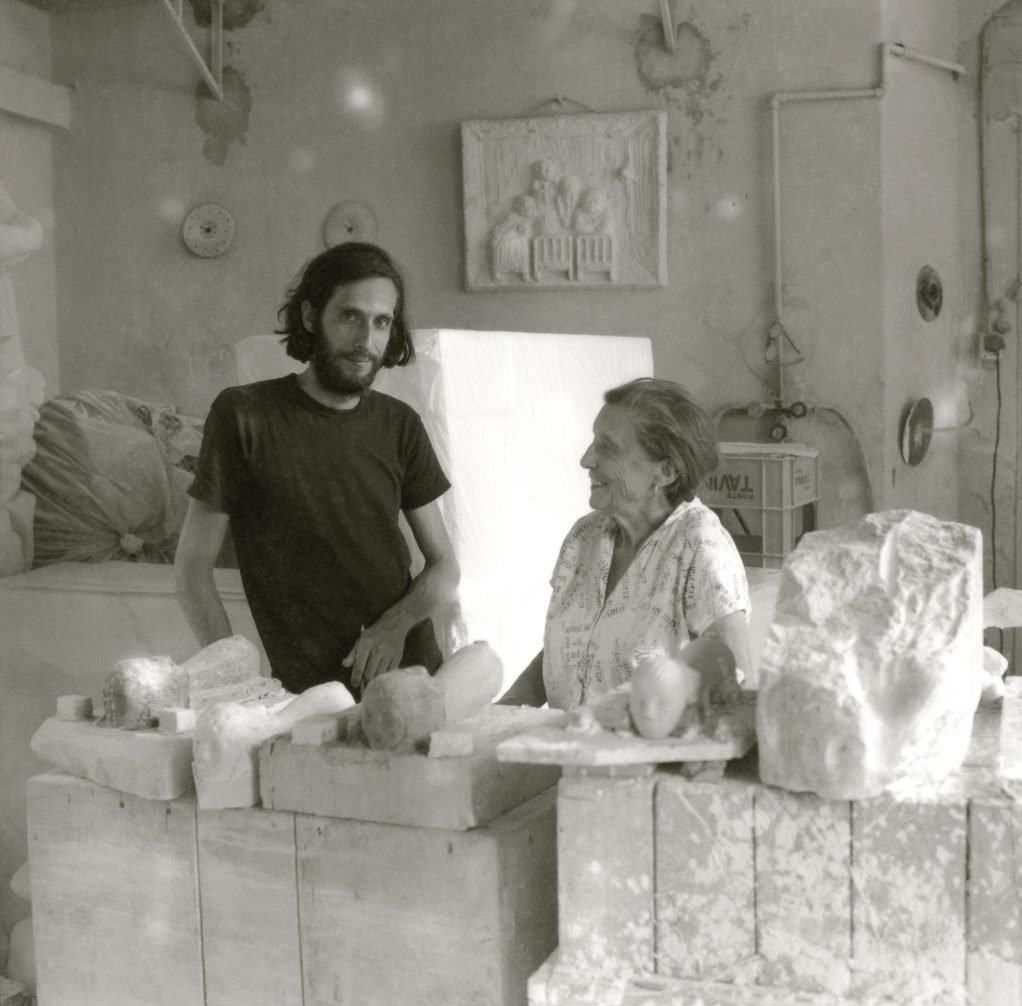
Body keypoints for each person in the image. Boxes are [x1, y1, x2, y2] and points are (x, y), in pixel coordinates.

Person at [175, 242, 459, 696]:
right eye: (350, 316)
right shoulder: (244, 416)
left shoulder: (399, 424)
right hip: (303, 700)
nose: (367, 340)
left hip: (414, 682)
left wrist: (394, 626)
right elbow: (191, 571)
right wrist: (234, 683)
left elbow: (445, 567)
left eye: (381, 322)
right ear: (311, 317)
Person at [499, 377, 751, 711]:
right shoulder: (584, 537)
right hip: (569, 750)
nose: (587, 460)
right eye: (593, 442)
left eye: (608, 447)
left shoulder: (699, 545)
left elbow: (735, 685)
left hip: (645, 759)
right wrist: (506, 709)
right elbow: (570, 652)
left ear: (666, 471)